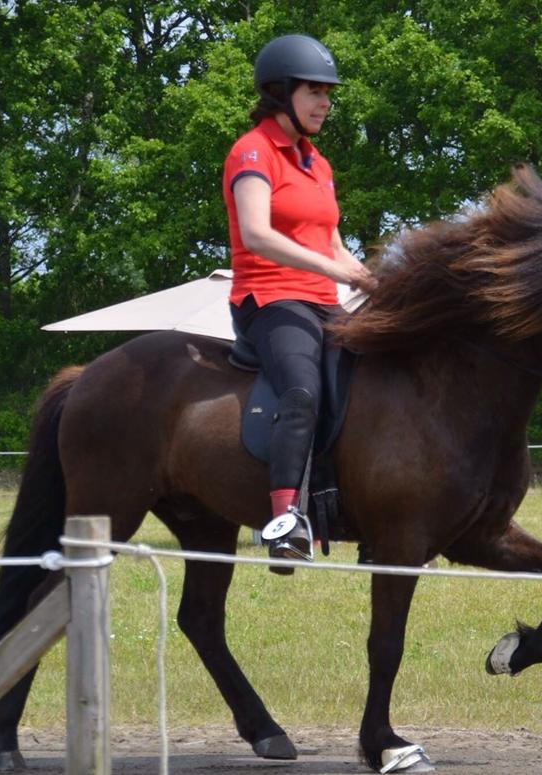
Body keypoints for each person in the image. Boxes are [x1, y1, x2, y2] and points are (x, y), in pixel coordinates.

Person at [222, 33, 376, 568]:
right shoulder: (252, 150)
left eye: (329, 93)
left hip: (321, 301)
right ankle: (285, 522)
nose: (326, 103)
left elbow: (331, 241)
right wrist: (335, 269)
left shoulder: (320, 164)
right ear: (281, 92)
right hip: (267, 298)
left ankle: (368, 512)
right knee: (304, 392)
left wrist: (370, 277)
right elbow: (257, 233)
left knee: (371, 378)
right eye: (315, 91)